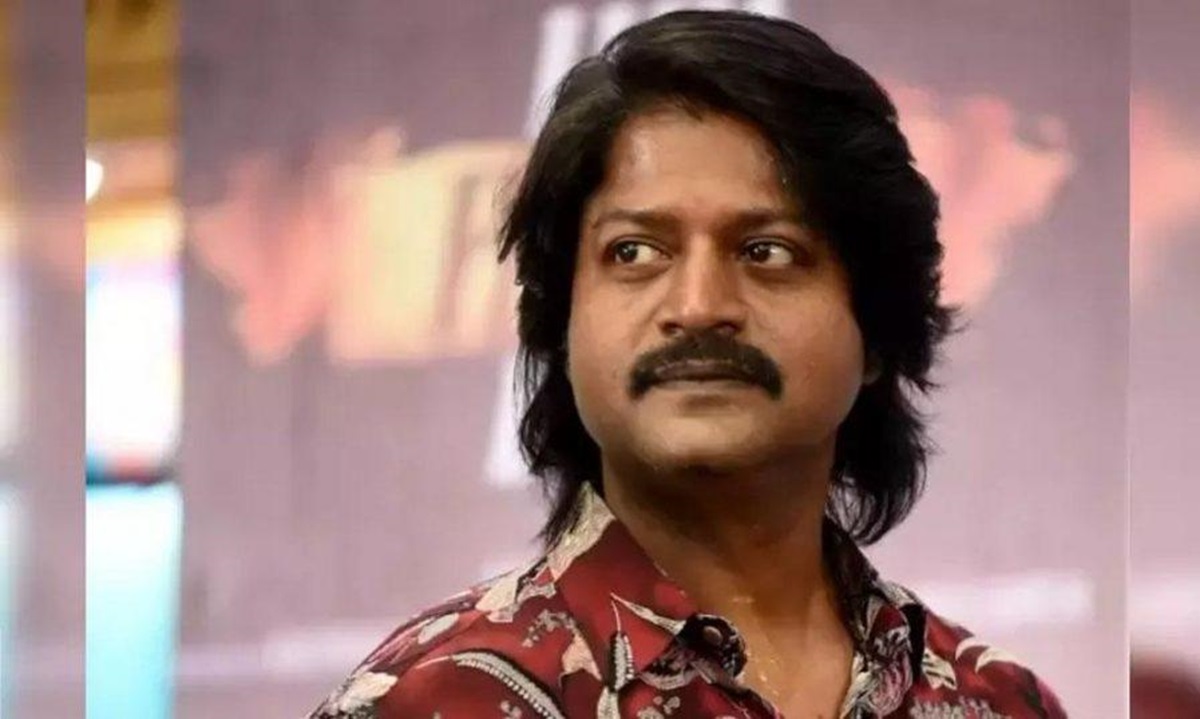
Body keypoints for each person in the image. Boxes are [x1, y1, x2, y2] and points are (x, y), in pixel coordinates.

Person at [309, 10, 1065, 718]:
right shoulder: (439, 698)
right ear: (560, 324)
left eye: (767, 252)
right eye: (635, 252)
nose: (699, 306)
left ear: (875, 328)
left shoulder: (994, 701)